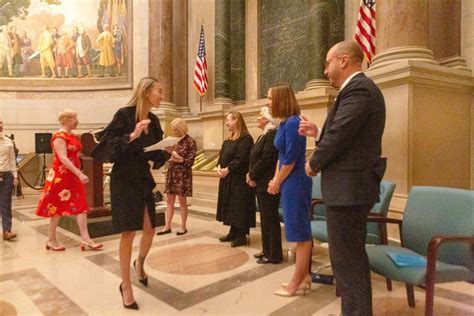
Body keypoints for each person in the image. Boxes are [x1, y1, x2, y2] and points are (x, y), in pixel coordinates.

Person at [299, 40, 386, 316]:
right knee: (347, 263)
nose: (326, 70)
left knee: (348, 264)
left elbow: (340, 135)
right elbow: (344, 134)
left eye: (328, 63)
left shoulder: (359, 89)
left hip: (350, 192)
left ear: (344, 60)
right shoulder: (354, 91)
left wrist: (314, 162)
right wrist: (318, 132)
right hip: (347, 190)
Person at [93, 77, 172, 310]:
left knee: (150, 229)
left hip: (142, 178)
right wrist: (132, 136)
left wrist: (166, 151)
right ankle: (125, 285)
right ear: (146, 92)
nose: (162, 95)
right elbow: (104, 149)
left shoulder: (155, 120)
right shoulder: (124, 115)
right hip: (124, 180)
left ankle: (140, 262)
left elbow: (154, 155)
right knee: (128, 233)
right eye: (159, 91)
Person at [35, 109, 103, 252]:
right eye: (73, 118)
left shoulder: (71, 136)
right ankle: (51, 239)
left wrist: (78, 172)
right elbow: (63, 158)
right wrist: (79, 173)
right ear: (65, 119)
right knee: (56, 209)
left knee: (81, 206)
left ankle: (86, 238)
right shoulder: (59, 136)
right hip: (61, 177)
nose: (76, 121)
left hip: (72, 176)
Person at [267, 84, 313, 297]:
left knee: (300, 233)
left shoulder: (294, 122)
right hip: (287, 180)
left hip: (296, 181)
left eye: (269, 98)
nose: (267, 102)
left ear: (280, 100)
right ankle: (304, 277)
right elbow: (280, 155)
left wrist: (277, 181)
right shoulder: (284, 123)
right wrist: (275, 179)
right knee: (295, 230)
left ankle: (298, 280)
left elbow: (292, 159)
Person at [246, 106, 282, 264]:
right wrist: (251, 174)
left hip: (267, 183)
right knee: (265, 219)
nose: (257, 118)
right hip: (261, 182)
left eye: (259, 115)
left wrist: (252, 174)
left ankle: (273, 254)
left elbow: (267, 159)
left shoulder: (272, 134)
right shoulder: (264, 135)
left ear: (266, 119)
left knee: (270, 219)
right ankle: (266, 250)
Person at [216, 111, 255, 247]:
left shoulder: (246, 138)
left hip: (239, 180)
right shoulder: (229, 138)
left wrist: (228, 169)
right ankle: (233, 231)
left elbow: (241, 158)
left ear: (236, 121)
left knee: (239, 207)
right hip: (228, 178)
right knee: (230, 206)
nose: (226, 123)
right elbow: (222, 154)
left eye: (228, 120)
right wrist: (219, 167)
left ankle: (241, 235)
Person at [158, 118, 197, 236]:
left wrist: (178, 158)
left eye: (176, 130)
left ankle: (183, 226)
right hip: (172, 172)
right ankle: (167, 226)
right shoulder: (174, 140)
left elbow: (190, 161)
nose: (174, 132)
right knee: (169, 200)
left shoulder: (190, 141)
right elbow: (166, 157)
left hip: (183, 174)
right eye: (173, 130)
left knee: (182, 201)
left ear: (182, 128)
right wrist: (166, 150)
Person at [0, 119, 18, 241]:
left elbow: (12, 160)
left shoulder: (8, 142)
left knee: (6, 203)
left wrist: (15, 176)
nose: (1, 125)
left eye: (1, 123)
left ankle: (7, 231)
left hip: (7, 175)